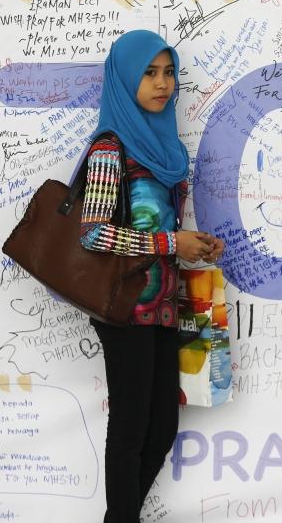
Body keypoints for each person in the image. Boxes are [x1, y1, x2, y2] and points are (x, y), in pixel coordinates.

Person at [79, 29, 224, 523]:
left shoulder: (164, 148)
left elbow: (157, 226)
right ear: (124, 78)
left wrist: (194, 247)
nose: (163, 84)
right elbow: (93, 234)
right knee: (130, 431)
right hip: (124, 306)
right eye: (149, 72)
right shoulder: (111, 147)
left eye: (169, 72)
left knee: (161, 429)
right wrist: (169, 244)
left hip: (163, 304)